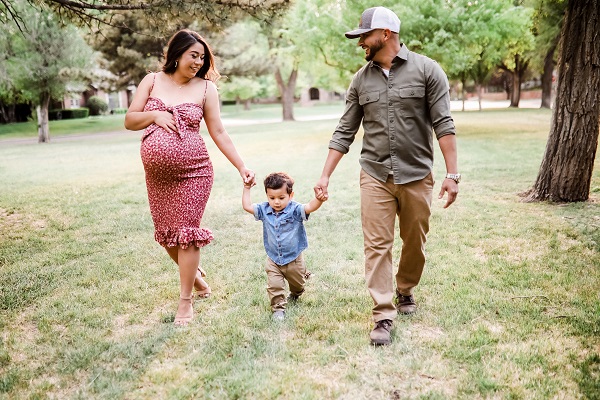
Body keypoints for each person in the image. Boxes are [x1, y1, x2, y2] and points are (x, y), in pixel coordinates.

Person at [314, 7, 459, 345]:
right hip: (374, 173)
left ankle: (406, 287)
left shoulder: (427, 70)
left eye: (365, 35)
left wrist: (453, 173)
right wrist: (325, 175)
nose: (360, 42)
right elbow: (345, 131)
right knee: (377, 245)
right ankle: (382, 314)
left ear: (386, 34)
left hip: (416, 174)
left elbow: (444, 124)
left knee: (414, 242)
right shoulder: (360, 80)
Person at [125, 29, 255, 326]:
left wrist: (241, 166)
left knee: (186, 234)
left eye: (202, 57)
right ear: (177, 54)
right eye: (193, 55)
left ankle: (185, 302)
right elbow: (130, 120)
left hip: (194, 171)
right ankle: (194, 276)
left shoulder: (206, 89)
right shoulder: (152, 80)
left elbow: (218, 131)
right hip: (157, 176)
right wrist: (155, 116)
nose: (198, 62)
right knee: (167, 236)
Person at [243, 172, 324, 321]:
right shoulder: (264, 210)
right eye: (271, 198)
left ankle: (296, 292)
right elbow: (247, 206)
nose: (276, 202)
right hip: (273, 259)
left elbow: (309, 207)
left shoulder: (294, 210)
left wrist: (318, 200)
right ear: (267, 195)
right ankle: (278, 309)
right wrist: (247, 187)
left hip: (294, 258)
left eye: (281, 198)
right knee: (274, 285)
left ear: (290, 195)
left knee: (298, 285)